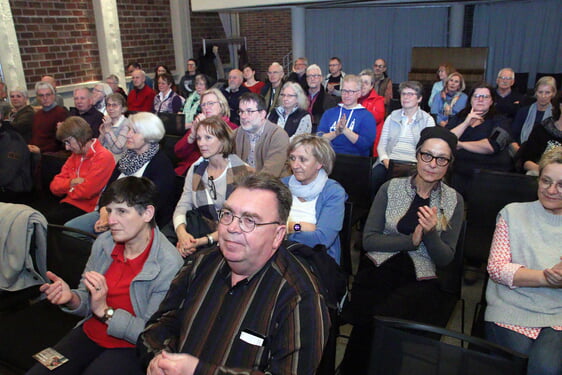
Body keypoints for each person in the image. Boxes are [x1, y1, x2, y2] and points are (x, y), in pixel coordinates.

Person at [137, 173, 330, 375]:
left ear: (278, 235)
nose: (232, 227)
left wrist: (199, 372)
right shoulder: (200, 263)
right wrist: (158, 359)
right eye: (227, 214)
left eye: (249, 220)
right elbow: (159, 325)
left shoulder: (300, 297)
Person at [27, 177, 183, 375]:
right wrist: (71, 298)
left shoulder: (168, 264)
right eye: (109, 211)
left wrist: (105, 311)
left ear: (147, 213)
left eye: (122, 211)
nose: (111, 220)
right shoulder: (105, 243)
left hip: (131, 347)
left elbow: (152, 334)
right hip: (90, 331)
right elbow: (86, 300)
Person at [340, 126, 464, 375]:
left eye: (441, 159)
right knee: (371, 317)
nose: (432, 164)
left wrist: (429, 234)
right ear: (417, 155)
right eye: (427, 155)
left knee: (382, 323)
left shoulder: (453, 200)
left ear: (449, 164)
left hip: (421, 277)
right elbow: (370, 241)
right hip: (380, 266)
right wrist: (410, 241)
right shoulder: (391, 188)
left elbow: (445, 258)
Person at [484, 147, 562, 375]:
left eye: (560, 184)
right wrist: (547, 278)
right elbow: (497, 269)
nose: (551, 190)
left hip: (558, 313)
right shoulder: (512, 213)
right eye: (546, 181)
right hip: (510, 306)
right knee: (517, 363)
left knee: (545, 368)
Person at [65, 112, 175, 234]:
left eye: (134, 132)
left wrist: (112, 219)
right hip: (110, 212)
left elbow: (148, 206)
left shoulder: (161, 165)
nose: (128, 135)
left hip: (136, 223)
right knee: (70, 229)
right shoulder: (126, 159)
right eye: (128, 130)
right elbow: (108, 191)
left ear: (149, 135)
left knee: (97, 239)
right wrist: (104, 213)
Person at [173, 116, 253, 257]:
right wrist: (182, 234)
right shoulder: (196, 168)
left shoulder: (241, 172)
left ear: (223, 141)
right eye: (199, 138)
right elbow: (183, 204)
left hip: (229, 238)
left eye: (208, 138)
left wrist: (201, 241)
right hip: (197, 231)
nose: (202, 143)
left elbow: (237, 221)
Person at [281, 134, 346, 263]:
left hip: (316, 260)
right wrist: (301, 226)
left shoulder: (333, 192)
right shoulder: (282, 185)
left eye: (303, 159)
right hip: (281, 254)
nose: (295, 165)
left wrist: (288, 228)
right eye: (292, 158)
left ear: (319, 163)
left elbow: (322, 239)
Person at [446, 82, 513, 197]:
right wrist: (466, 123)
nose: (480, 100)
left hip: (489, 173)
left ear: (492, 101)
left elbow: (492, 145)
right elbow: (446, 140)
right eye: (476, 96)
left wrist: (461, 144)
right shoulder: (459, 118)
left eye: (485, 97)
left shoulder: (501, 120)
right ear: (470, 100)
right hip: (460, 172)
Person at [47, 117, 115, 224]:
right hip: (68, 203)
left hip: (88, 209)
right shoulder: (75, 156)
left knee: (49, 224)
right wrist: (71, 183)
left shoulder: (103, 156)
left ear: (79, 137)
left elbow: (87, 192)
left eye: (68, 142)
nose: (67, 148)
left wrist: (67, 188)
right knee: (40, 221)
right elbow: (54, 186)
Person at [372, 81, 436, 195]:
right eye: (403, 94)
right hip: (390, 161)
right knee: (375, 175)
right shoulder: (392, 117)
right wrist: (385, 160)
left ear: (419, 99)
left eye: (410, 94)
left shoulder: (427, 120)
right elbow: (381, 145)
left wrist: (418, 164)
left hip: (414, 164)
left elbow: (430, 149)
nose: (406, 97)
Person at [174, 88, 237, 176]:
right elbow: (178, 153)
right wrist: (193, 134)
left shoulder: (231, 128)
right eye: (203, 105)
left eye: (211, 103)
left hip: (214, 172)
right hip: (188, 170)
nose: (206, 107)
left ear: (222, 105)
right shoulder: (199, 124)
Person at [317, 74, 377, 156]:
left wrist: (345, 130)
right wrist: (336, 133)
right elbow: (319, 138)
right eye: (344, 91)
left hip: (354, 160)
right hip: (329, 157)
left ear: (359, 93)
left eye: (351, 92)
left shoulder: (367, 116)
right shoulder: (329, 113)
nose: (346, 95)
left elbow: (365, 145)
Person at [233, 93, 290, 177]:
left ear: (262, 114)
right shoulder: (236, 134)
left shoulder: (278, 136)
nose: (243, 116)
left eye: (249, 111)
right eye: (241, 111)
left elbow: (269, 175)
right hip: (244, 184)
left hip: (272, 186)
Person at [520, 94, 562, 175]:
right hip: (541, 173)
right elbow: (526, 162)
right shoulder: (541, 129)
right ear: (560, 105)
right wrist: (548, 173)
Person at [511, 75, 557, 147]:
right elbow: (513, 136)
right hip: (522, 150)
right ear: (536, 93)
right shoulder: (523, 112)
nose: (543, 96)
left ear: (553, 94)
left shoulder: (557, 115)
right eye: (540, 92)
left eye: (547, 92)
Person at [28, 81, 68, 154]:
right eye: (41, 95)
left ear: (53, 96)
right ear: (37, 98)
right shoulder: (37, 115)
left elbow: (59, 142)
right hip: (35, 151)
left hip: (50, 154)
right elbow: (34, 135)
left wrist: (41, 150)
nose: (45, 98)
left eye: (48, 95)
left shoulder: (60, 113)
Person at [358, 69, 385, 156]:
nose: (362, 85)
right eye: (360, 82)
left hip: (371, 143)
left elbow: (371, 121)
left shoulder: (378, 100)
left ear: (371, 86)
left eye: (366, 83)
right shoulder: (351, 99)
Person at [98, 93, 130, 162]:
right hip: (104, 160)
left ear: (123, 109)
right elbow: (99, 146)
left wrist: (108, 130)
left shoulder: (127, 124)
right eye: (108, 105)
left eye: (115, 105)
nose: (110, 108)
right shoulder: (106, 122)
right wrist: (103, 133)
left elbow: (117, 150)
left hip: (118, 162)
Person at [306, 64, 337, 133]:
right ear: (306, 79)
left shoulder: (329, 100)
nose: (312, 78)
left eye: (315, 76)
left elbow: (330, 122)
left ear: (321, 78)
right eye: (309, 76)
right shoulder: (301, 98)